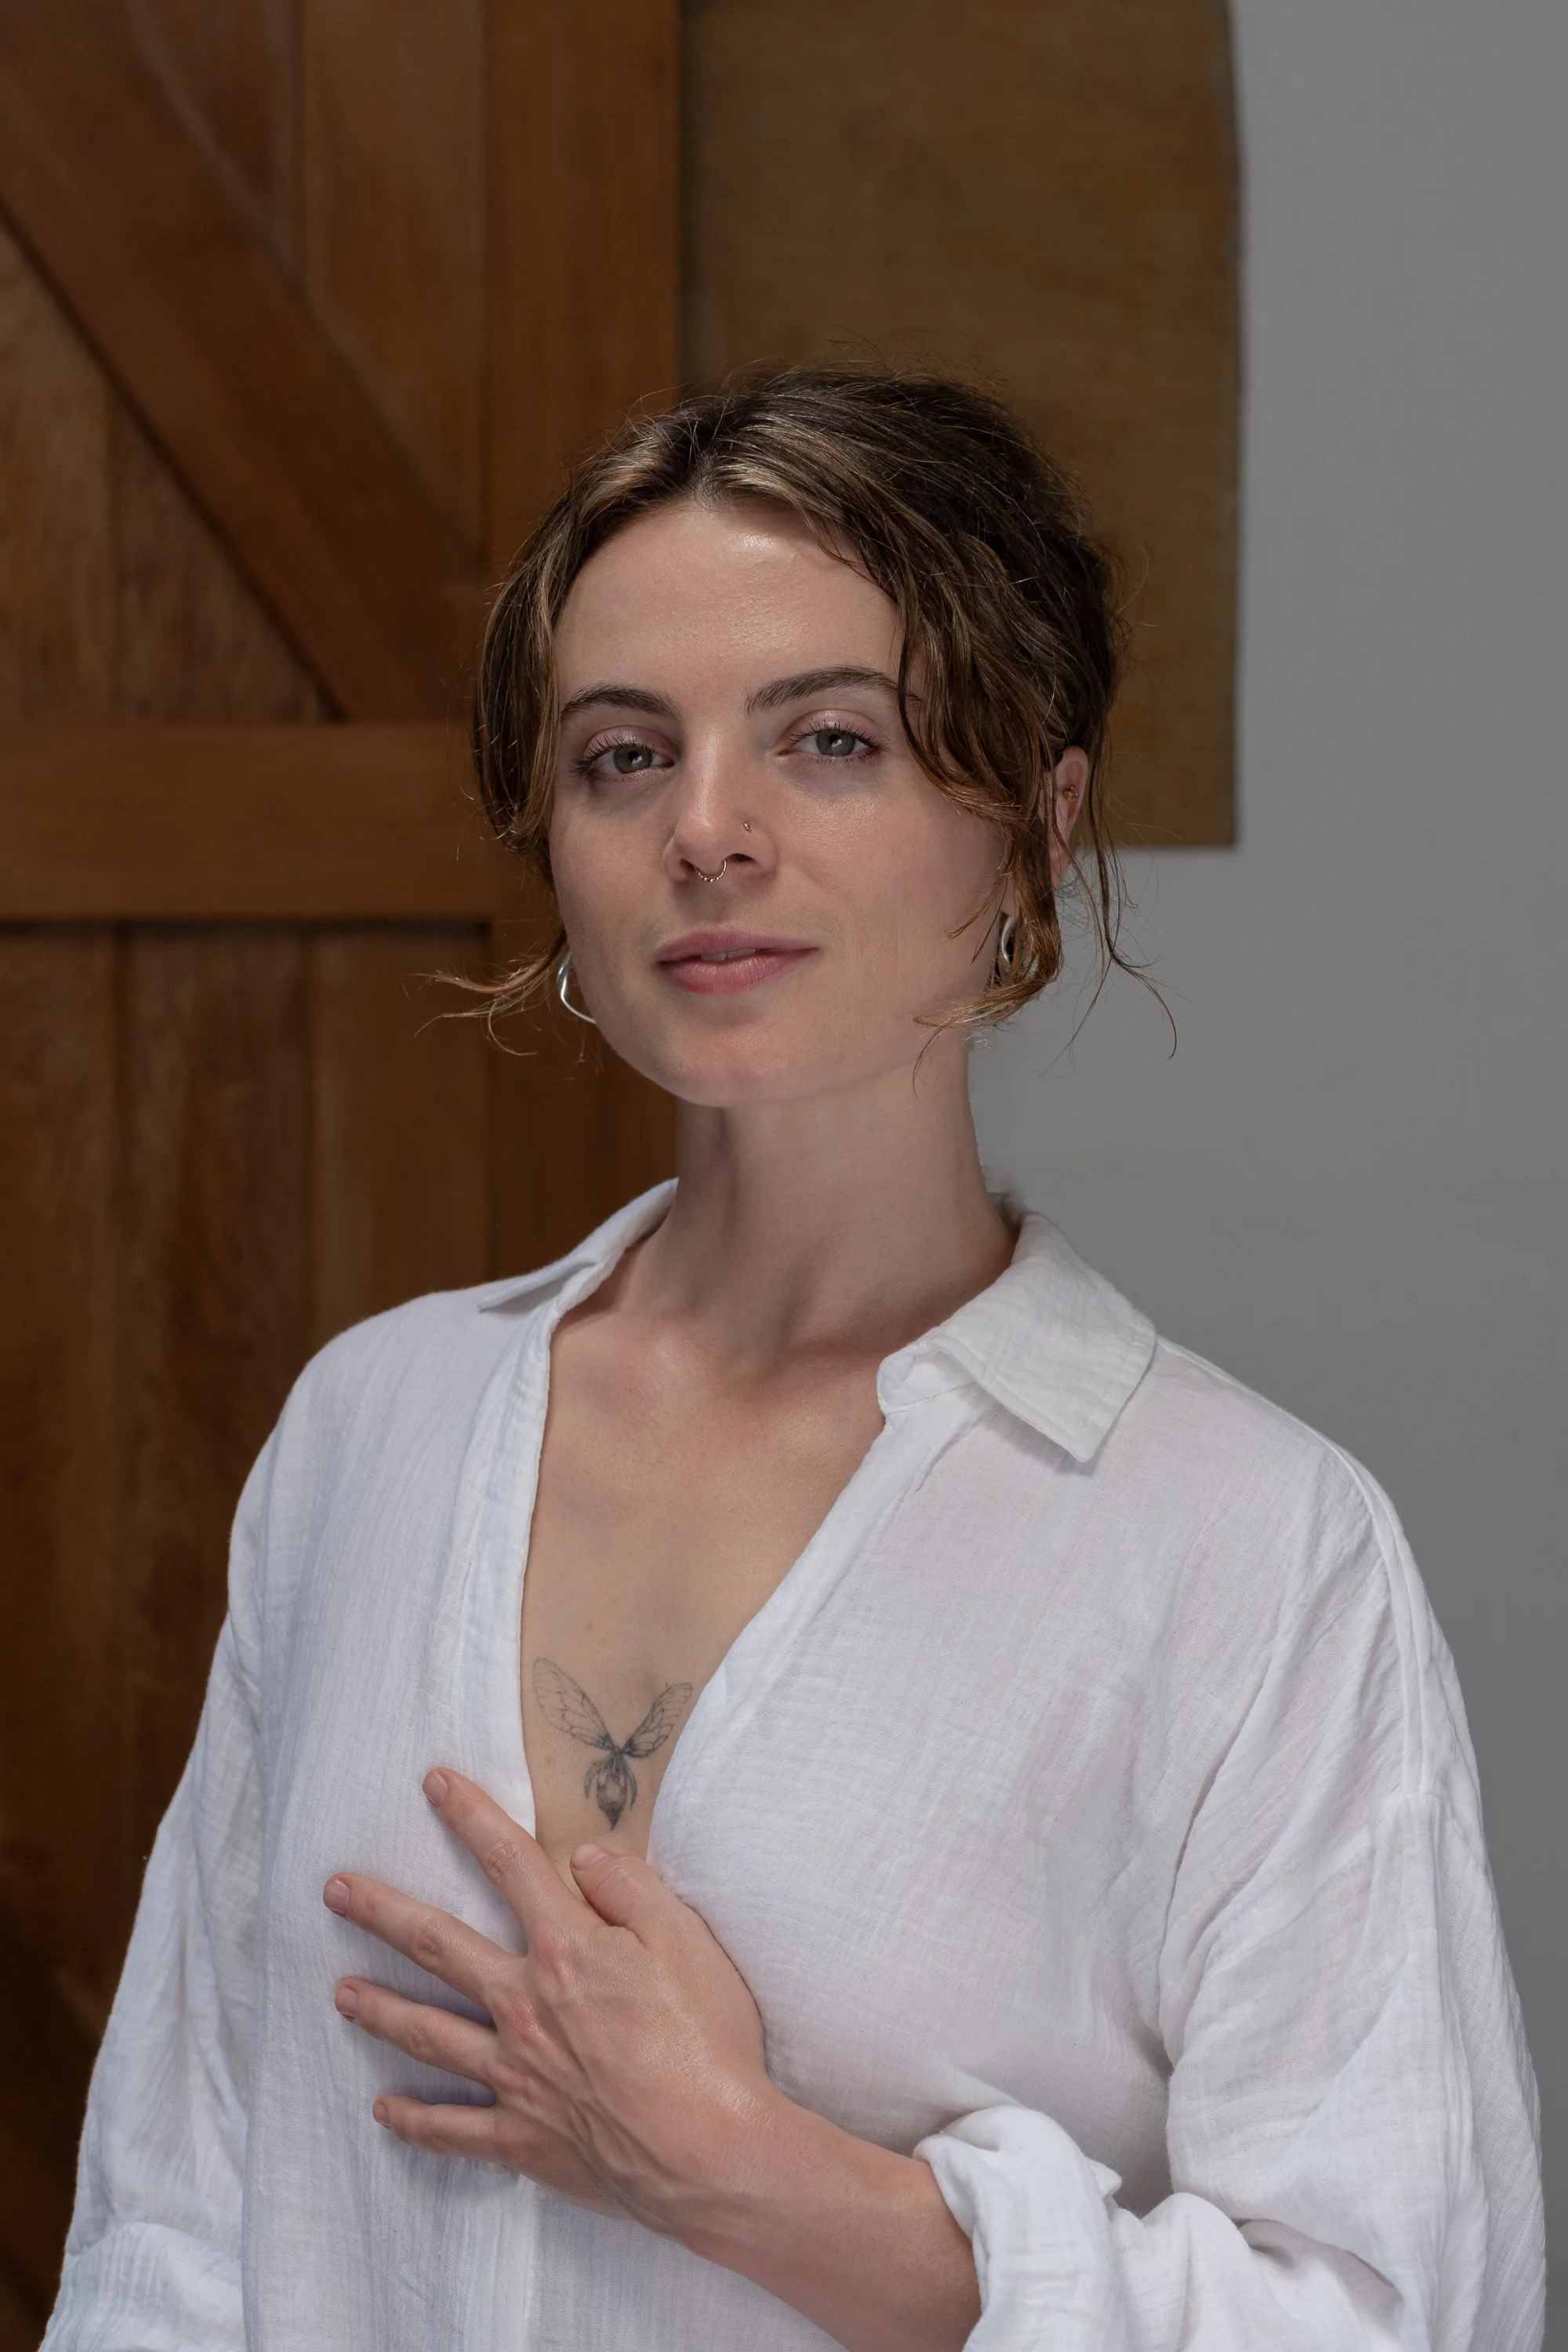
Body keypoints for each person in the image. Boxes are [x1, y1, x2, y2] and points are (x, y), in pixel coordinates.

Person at [45, 371, 1542, 2352]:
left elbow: (1396, 2310)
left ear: (1035, 821)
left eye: (829, 741)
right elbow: (176, 2216)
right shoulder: (374, 1425)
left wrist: (756, 2180)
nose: (709, 833)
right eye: (620, 757)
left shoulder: (1248, 1552)